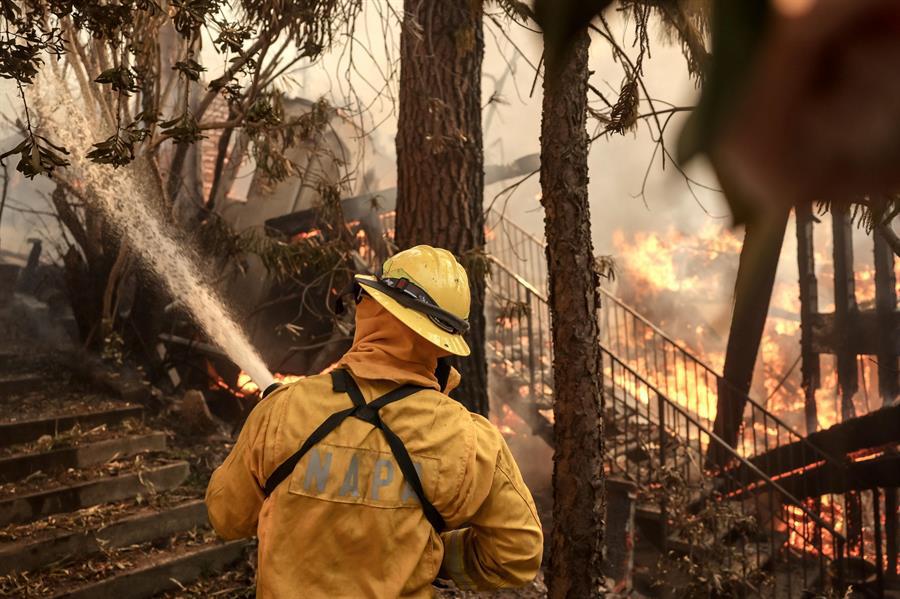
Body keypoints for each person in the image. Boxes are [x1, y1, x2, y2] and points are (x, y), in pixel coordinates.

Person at [206, 245, 543, 598]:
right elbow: (518, 553)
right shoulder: (468, 439)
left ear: (370, 307)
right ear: (444, 343)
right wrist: (436, 556)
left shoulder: (284, 409)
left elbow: (227, 516)